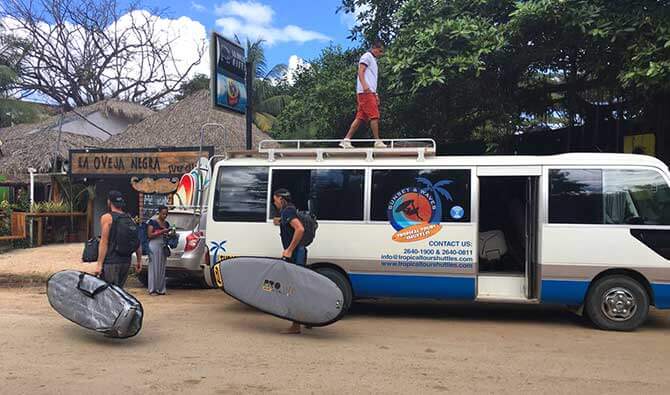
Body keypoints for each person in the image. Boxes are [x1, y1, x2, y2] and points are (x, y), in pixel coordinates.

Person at [340, 40, 387, 149]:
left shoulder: (373, 60)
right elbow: (361, 71)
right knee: (374, 115)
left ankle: (346, 140)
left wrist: (375, 94)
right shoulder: (367, 56)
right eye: (380, 51)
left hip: (369, 92)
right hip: (365, 92)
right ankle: (377, 141)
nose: (380, 53)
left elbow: (372, 79)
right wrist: (365, 86)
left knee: (360, 117)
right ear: (374, 48)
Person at [272, 188, 307, 334]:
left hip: (295, 254)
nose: (275, 204)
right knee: (299, 287)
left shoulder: (287, 211)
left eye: (275, 200)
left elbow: (300, 229)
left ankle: (296, 325)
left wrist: (289, 250)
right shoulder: (290, 210)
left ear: (281, 198)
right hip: (299, 252)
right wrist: (280, 221)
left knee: (293, 289)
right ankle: (309, 320)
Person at [93, 191, 142, 287]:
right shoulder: (129, 219)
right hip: (126, 261)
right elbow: (137, 241)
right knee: (119, 292)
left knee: (109, 293)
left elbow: (104, 242)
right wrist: (139, 261)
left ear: (109, 202)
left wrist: (99, 264)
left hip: (111, 262)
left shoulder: (107, 218)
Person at [146, 205, 172, 296]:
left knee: (161, 268)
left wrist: (171, 234)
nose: (165, 216)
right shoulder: (152, 222)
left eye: (166, 214)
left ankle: (160, 289)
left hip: (162, 245)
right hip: (154, 245)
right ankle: (152, 289)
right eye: (163, 214)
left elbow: (167, 235)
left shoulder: (166, 223)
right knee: (154, 267)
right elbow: (149, 235)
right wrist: (162, 231)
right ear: (159, 213)